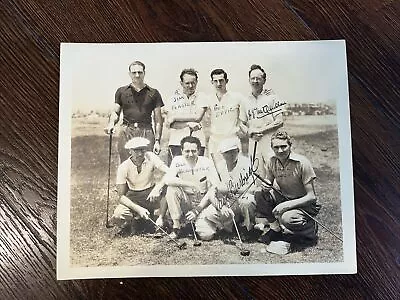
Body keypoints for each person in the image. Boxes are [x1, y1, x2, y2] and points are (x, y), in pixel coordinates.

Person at [255, 131, 321, 254]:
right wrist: (265, 186)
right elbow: (269, 182)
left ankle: (309, 230)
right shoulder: (272, 161)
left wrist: (285, 205)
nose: (280, 150)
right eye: (276, 147)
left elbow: (311, 197)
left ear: (290, 145)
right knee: (259, 194)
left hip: (305, 204)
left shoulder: (302, 162)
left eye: (283, 146)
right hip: (285, 198)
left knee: (287, 218)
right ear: (272, 148)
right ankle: (276, 229)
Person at [193, 137, 257, 241]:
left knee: (247, 201)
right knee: (210, 214)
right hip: (226, 202)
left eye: (233, 151)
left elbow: (253, 188)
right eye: (227, 152)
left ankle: (248, 229)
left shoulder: (247, 163)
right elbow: (212, 192)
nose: (230, 155)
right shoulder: (218, 167)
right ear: (222, 154)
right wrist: (220, 206)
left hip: (242, 198)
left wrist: (228, 189)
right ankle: (230, 227)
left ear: (238, 151)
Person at [158, 136, 218, 239]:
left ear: (199, 150)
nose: (190, 154)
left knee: (207, 236)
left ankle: (194, 223)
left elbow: (215, 186)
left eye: (194, 151)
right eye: (187, 151)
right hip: (185, 199)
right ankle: (176, 226)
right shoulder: (177, 160)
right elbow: (168, 180)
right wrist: (190, 184)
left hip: (202, 201)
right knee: (172, 189)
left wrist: (198, 209)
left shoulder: (206, 162)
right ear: (181, 150)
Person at [105, 61, 164, 162]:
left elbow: (158, 119)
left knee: (147, 165)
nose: (137, 75)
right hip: (127, 131)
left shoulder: (154, 93)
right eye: (134, 73)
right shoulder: (121, 91)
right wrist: (111, 124)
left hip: (146, 130)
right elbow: (115, 112)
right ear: (129, 74)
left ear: (144, 73)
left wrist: (157, 141)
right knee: (126, 165)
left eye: (140, 72)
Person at [109, 137, 169, 236]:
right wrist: (138, 209)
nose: (140, 154)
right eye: (136, 151)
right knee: (118, 216)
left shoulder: (150, 156)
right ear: (130, 152)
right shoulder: (123, 167)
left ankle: (160, 219)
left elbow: (170, 172)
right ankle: (134, 221)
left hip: (151, 194)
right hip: (134, 196)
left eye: (142, 150)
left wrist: (157, 188)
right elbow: (121, 197)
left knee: (168, 188)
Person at [240, 64, 285, 180]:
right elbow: (241, 123)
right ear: (249, 80)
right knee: (257, 174)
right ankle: (261, 197)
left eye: (258, 78)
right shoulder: (245, 100)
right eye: (252, 78)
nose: (255, 81)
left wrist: (261, 130)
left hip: (270, 140)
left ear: (264, 80)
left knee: (275, 171)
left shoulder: (272, 97)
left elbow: (280, 121)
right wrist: (249, 132)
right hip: (253, 141)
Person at [163, 68, 208, 163]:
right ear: (181, 83)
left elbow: (197, 117)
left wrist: (175, 117)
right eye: (187, 83)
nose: (190, 86)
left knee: (196, 173)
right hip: (176, 142)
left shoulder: (202, 97)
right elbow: (170, 124)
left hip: (197, 143)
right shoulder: (172, 99)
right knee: (176, 174)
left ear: (197, 82)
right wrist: (188, 124)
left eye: (193, 83)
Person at [206, 69, 247, 159]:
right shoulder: (208, 99)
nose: (218, 83)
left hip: (232, 139)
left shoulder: (237, 97)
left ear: (226, 81)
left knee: (234, 170)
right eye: (215, 81)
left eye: (221, 80)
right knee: (216, 171)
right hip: (214, 140)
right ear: (211, 82)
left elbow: (248, 110)